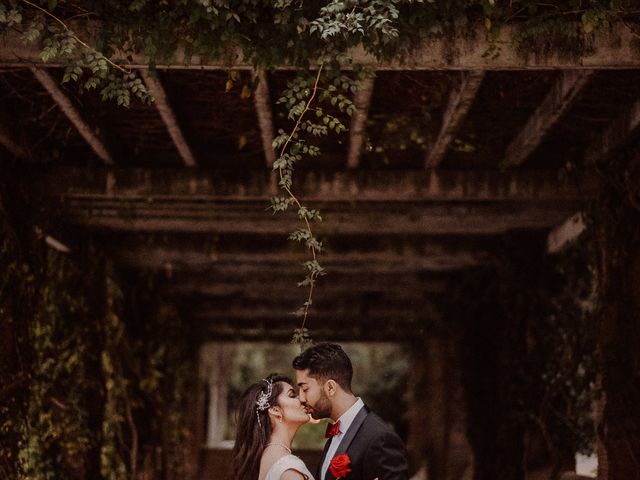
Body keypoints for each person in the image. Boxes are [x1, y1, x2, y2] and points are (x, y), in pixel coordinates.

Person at [293, 343, 409, 480]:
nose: (300, 398)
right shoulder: (335, 433)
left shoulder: (380, 439)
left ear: (330, 387)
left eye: (305, 389)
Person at [230, 374, 316, 480]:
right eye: (292, 395)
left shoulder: (266, 458)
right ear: (275, 410)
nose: (302, 400)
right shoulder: (289, 470)